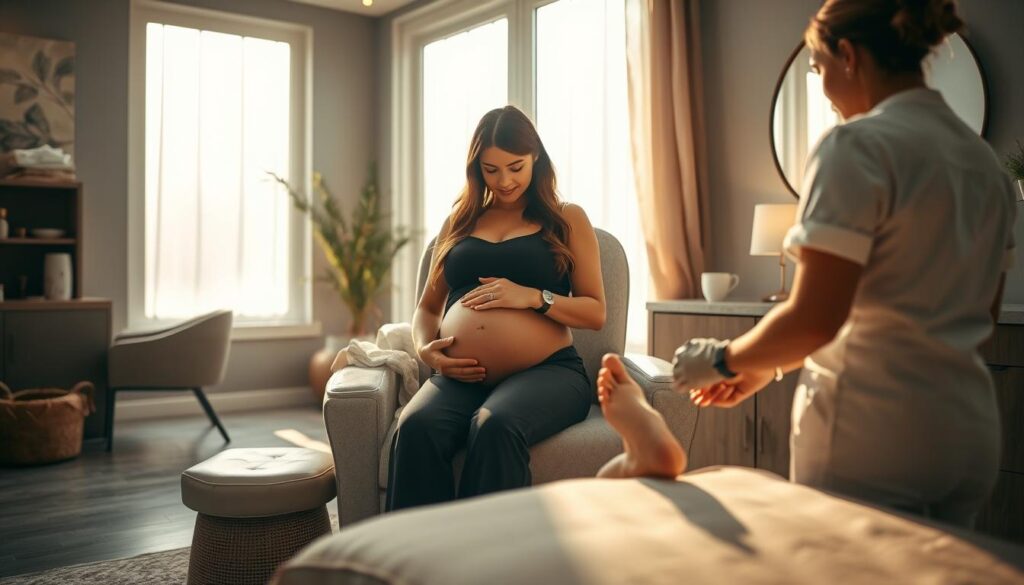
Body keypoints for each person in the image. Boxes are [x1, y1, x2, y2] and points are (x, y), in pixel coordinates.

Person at [595, 0, 1016, 528]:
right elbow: (981, 317)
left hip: (873, 434)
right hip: (967, 434)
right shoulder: (985, 167)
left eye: (816, 70)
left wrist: (724, 360)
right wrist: (764, 364)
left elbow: (817, 317)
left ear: (847, 55)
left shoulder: (857, 147)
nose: (822, 89)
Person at [385, 105, 607, 511]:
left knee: (495, 425)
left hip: (550, 372)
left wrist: (534, 298)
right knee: (416, 427)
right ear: (476, 169)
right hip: (463, 376)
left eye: (515, 166)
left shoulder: (567, 218)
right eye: (491, 169)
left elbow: (595, 312)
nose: (504, 180)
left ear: (536, 158)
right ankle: (416, 562)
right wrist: (424, 348)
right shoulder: (459, 222)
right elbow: (427, 308)